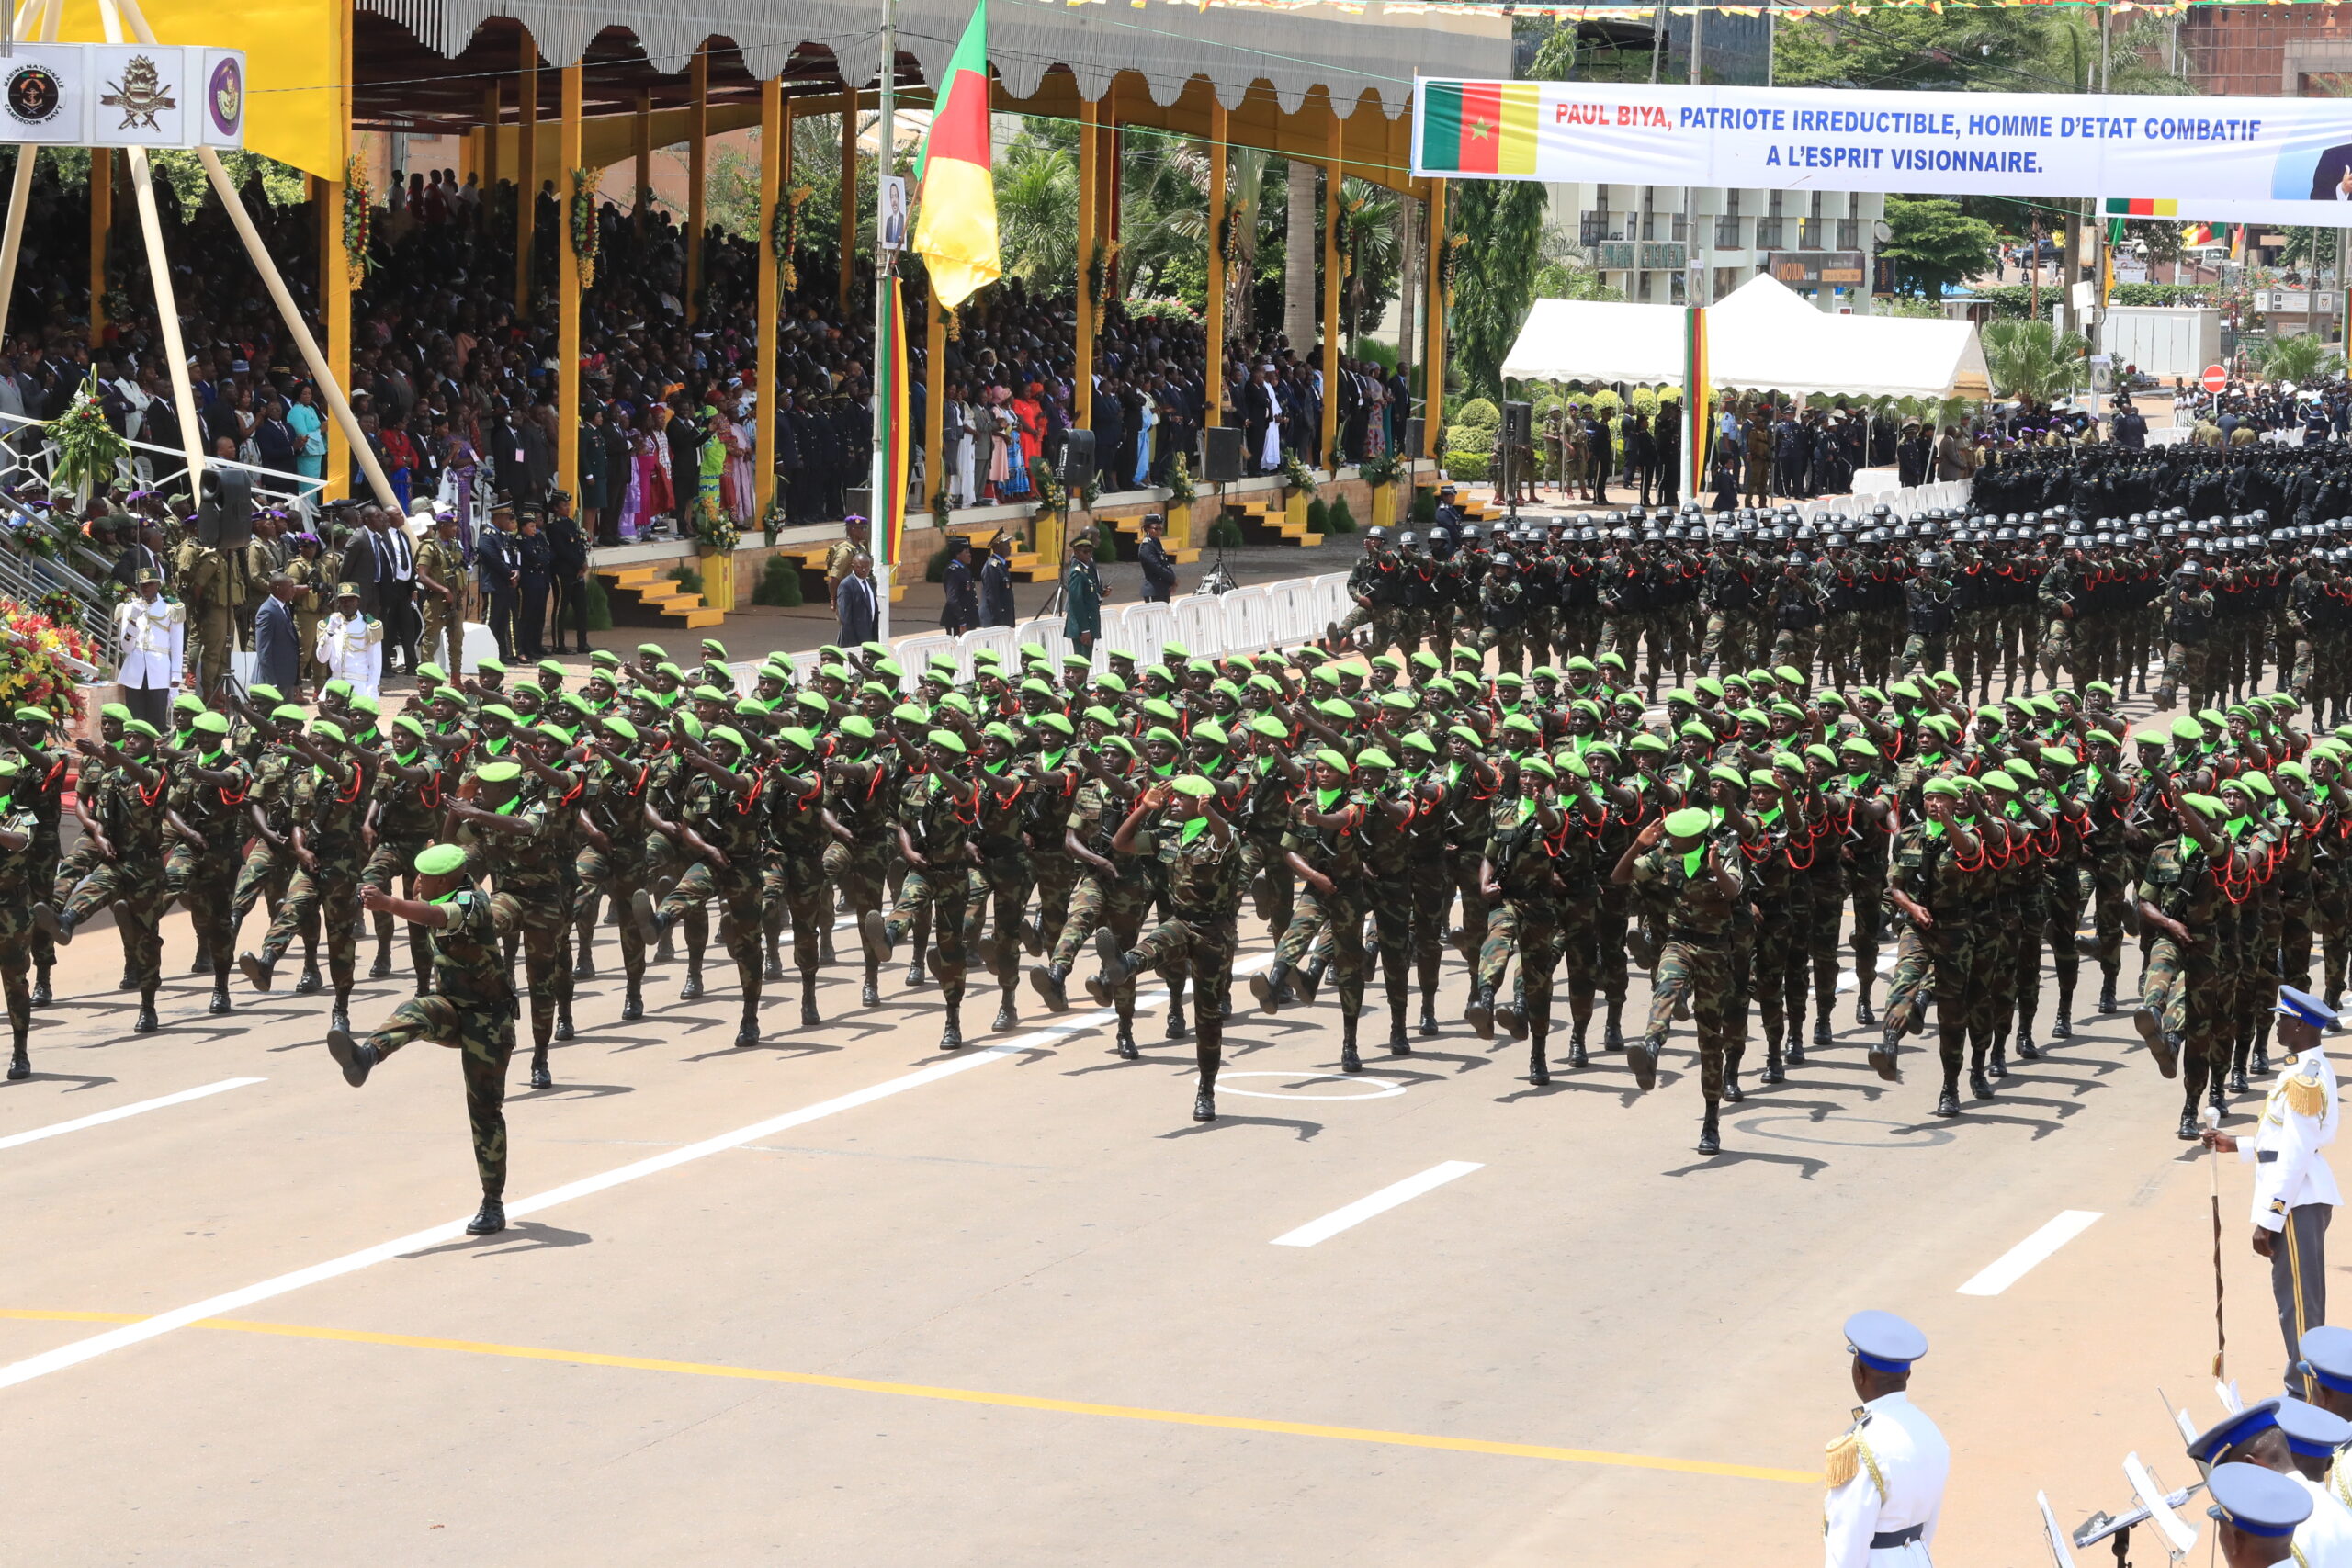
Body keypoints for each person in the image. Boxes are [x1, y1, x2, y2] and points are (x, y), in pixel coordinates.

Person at [329, 842, 521, 1238]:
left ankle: (492, 1203)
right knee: (417, 1009)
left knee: (484, 1111)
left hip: (488, 1019)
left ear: (447, 879)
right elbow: (427, 895)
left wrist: (388, 904)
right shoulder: (437, 887)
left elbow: (435, 915)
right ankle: (366, 1056)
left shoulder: (471, 901)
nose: (418, 882)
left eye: (426, 876)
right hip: (452, 1007)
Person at [2203, 986, 2342, 1400]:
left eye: (2282, 1020)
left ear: (2300, 1025)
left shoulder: (2305, 1077)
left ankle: (2309, 1397)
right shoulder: (2303, 1069)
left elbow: (2298, 1153)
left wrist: (2270, 1218)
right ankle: (2310, 1390)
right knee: (2297, 1304)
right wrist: (2240, 1146)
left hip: (2296, 1204)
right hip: (2300, 1199)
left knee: (2299, 1309)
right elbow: (2285, 1141)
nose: (2277, 1026)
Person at [1823, 1311, 1948, 1568]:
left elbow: (1848, 1541)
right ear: (1907, 1375)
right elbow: (1930, 1524)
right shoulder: (1929, 1429)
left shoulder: (1864, 1444)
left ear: (1859, 1372)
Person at [114, 570, 182, 732]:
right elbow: (126, 647)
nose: (145, 588)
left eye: (149, 584)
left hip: (159, 670)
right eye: (142, 585)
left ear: (158, 585)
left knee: (157, 722)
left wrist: (176, 676)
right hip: (134, 670)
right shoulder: (129, 608)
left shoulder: (171, 607)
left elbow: (177, 645)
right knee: (134, 721)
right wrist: (133, 621)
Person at [315, 583, 384, 697]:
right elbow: (322, 659)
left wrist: (372, 692)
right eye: (342, 600)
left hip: (359, 685)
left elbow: (375, 664)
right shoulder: (330, 624)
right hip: (335, 684)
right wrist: (330, 632)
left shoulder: (369, 626)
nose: (346, 604)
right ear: (337, 602)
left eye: (351, 600)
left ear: (358, 601)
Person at [252, 572, 301, 696]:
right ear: (279, 589)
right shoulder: (267, 611)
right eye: (290, 586)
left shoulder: (283, 607)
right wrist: (271, 682)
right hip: (274, 681)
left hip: (287, 679)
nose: (293, 590)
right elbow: (263, 649)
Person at [1063, 532, 1104, 656]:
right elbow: (1076, 603)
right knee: (1081, 664)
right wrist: (1084, 629)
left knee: (1085, 663)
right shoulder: (1077, 573)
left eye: (1090, 551)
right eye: (1084, 551)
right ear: (1075, 552)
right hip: (1082, 627)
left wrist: (1101, 594)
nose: (1088, 555)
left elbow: (1089, 595)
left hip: (1089, 623)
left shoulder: (1086, 569)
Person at [836, 550, 879, 646]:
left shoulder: (870, 583)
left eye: (867, 567)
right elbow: (845, 618)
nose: (864, 570)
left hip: (870, 637)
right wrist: (853, 644)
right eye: (860, 567)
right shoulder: (846, 585)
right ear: (853, 567)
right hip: (853, 641)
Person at [940, 535, 978, 636]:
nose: (969, 555)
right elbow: (952, 599)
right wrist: (961, 621)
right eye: (966, 552)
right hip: (957, 621)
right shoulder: (953, 571)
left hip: (967, 616)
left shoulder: (963, 569)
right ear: (958, 554)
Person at [980, 531, 1017, 627]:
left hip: (1004, 618)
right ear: (997, 547)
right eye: (1006, 545)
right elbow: (992, 596)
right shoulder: (992, 566)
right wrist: (998, 622)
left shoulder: (1001, 565)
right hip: (995, 620)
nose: (1010, 547)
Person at [1138, 513, 1177, 603]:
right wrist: (1173, 578)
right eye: (1155, 529)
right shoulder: (1146, 547)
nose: (1159, 532)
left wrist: (1172, 580)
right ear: (1147, 529)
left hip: (1163, 589)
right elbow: (1157, 567)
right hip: (1153, 591)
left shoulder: (1156, 543)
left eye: (1160, 529)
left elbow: (1165, 564)